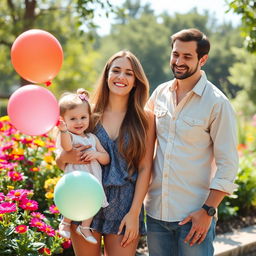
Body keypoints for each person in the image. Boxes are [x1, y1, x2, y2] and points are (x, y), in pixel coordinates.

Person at [145, 28, 239, 256]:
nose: (179, 61)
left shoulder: (217, 103)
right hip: (156, 214)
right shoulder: (159, 94)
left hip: (194, 217)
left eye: (187, 56)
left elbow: (228, 165)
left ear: (202, 59)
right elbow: (141, 141)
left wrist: (207, 211)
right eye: (176, 54)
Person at [56, 50, 155, 256]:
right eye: (116, 70)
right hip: (83, 197)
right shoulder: (87, 113)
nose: (121, 77)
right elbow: (60, 159)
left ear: (136, 80)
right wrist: (67, 157)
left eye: (128, 73)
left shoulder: (145, 118)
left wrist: (135, 212)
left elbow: (145, 168)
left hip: (125, 205)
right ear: (107, 75)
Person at [56, 89, 110, 244]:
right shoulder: (68, 136)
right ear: (64, 120)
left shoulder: (92, 138)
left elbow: (106, 158)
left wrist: (97, 155)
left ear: (89, 117)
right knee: (72, 198)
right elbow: (66, 148)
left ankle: (85, 228)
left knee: (92, 202)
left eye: (83, 117)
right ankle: (65, 223)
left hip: (93, 181)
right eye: (73, 118)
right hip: (75, 180)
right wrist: (63, 130)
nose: (79, 122)